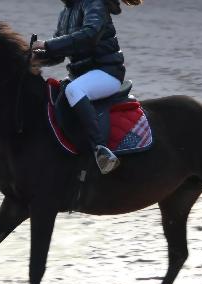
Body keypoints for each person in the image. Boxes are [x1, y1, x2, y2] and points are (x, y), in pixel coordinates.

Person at [33, 0, 142, 174]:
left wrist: (47, 45)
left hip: (107, 73)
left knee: (73, 90)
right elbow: (60, 52)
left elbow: (89, 35)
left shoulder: (93, 3)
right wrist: (36, 56)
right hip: (81, 76)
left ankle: (102, 151)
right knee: (56, 94)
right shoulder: (65, 14)